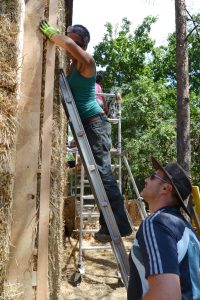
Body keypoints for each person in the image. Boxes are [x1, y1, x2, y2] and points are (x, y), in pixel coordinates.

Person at [39, 20, 132, 242]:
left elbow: (77, 49)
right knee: (97, 174)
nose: (65, 40)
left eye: (70, 37)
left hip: (95, 123)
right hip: (87, 125)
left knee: (103, 172)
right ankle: (111, 224)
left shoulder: (88, 63)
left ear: (78, 42)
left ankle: (118, 225)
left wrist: (55, 35)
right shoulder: (74, 65)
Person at [128, 157, 200, 300]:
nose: (146, 180)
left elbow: (165, 296)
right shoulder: (184, 227)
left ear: (165, 188)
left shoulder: (156, 224)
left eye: (153, 177)